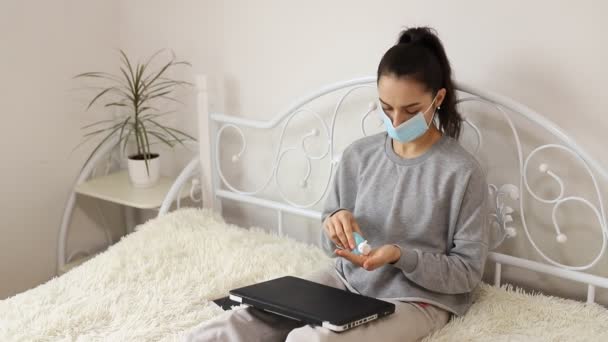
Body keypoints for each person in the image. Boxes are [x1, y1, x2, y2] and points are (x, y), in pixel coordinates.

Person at [184, 26, 491, 342]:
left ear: (438, 98)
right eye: (386, 108)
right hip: (347, 281)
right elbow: (332, 245)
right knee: (237, 322)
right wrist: (334, 225)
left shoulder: (462, 173)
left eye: (411, 110)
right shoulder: (359, 156)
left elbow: (466, 274)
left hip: (418, 298)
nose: (396, 122)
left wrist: (400, 256)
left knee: (314, 340)